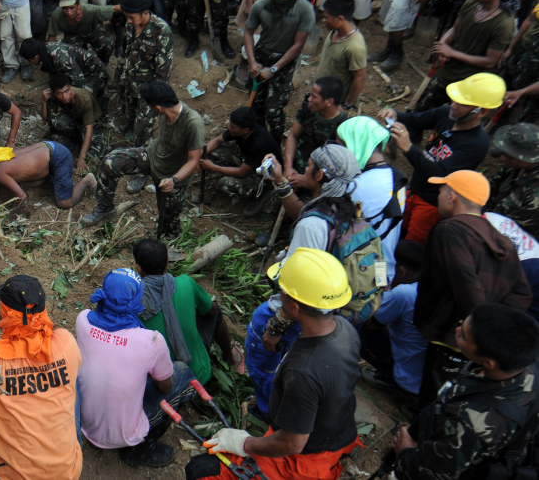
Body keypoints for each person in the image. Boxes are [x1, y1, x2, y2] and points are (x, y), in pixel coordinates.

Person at [187, 248, 361, 480]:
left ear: (296, 306)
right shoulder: (344, 329)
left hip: (304, 460)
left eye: (283, 292)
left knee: (201, 471)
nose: (279, 295)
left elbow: (292, 443)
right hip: (339, 433)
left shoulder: (303, 371)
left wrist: (245, 443)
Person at [243, 144, 374, 415]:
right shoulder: (347, 210)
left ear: (320, 175)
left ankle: (270, 408)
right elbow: (304, 212)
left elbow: (296, 286)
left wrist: (275, 326)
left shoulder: (312, 227)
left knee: (260, 344)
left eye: (309, 165)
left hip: (303, 311)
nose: (304, 168)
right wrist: (280, 181)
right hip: (333, 309)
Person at [414, 170, 533, 403]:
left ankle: (419, 432)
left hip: (453, 334)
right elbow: (522, 294)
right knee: (456, 391)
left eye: (441, 191)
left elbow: (468, 288)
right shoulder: (501, 239)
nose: (438, 196)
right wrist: (495, 331)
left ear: (452, 196)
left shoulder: (449, 230)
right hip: (472, 341)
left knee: (435, 395)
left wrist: (480, 331)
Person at [0, 275, 82, 479]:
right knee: (74, 381)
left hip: (11, 475)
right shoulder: (66, 342)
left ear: (5, 311)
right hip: (67, 472)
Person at [393, 304, 539, 480]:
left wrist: (405, 452)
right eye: (463, 322)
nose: (457, 328)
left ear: (488, 362)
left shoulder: (472, 419)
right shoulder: (526, 365)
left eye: (463, 335)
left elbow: (431, 474)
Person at [76, 267, 195, 467]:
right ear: (136, 299)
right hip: (120, 434)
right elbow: (165, 386)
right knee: (181, 372)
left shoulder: (83, 320)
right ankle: (139, 449)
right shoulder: (151, 340)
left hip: (85, 422)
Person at [379, 73, 502, 244]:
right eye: (454, 100)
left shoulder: (476, 144)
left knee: (410, 246)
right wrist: (395, 114)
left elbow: (437, 173)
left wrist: (408, 148)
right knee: (396, 229)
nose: (454, 105)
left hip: (432, 203)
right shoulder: (446, 114)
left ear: (481, 111)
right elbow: (414, 120)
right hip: (414, 190)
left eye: (462, 103)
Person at [81, 81, 203, 240]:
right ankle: (105, 208)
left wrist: (174, 179)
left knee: (168, 231)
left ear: (158, 108)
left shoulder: (192, 123)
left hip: (172, 176)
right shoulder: (166, 111)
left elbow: (194, 161)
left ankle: (170, 240)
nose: (150, 109)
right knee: (111, 161)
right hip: (153, 155)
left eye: (150, 106)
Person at [134, 238, 244, 383]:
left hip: (162, 384)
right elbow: (211, 311)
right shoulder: (185, 282)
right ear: (167, 261)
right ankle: (231, 358)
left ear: (138, 268)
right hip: (199, 375)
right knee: (214, 310)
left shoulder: (133, 300)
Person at [416, 0, 518, 110]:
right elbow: (455, 29)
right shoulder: (471, 4)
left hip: (469, 85)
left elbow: (490, 61)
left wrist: (453, 53)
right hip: (447, 73)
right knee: (420, 111)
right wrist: (442, 45)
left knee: (453, 121)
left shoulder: (504, 24)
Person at [240, 0, 315, 139]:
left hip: (284, 61)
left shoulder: (305, 10)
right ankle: (257, 139)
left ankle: (274, 144)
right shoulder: (261, 5)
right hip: (261, 56)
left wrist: (274, 69)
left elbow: (298, 45)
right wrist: (252, 61)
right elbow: (249, 32)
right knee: (255, 106)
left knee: (274, 110)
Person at [336, 116, 407, 275]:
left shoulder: (356, 187)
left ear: (355, 145)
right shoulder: (396, 176)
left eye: (341, 146)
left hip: (361, 273)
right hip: (383, 266)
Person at [358, 240, 425, 395]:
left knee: (359, 325)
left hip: (405, 377)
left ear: (402, 270)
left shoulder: (403, 293)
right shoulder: (428, 286)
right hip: (422, 374)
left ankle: (387, 376)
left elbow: (371, 325)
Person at [112, 0, 173, 149]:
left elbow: (163, 71)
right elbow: (127, 51)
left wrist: (154, 98)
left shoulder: (161, 31)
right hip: (131, 79)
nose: (128, 21)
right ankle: (130, 125)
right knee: (130, 108)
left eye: (131, 17)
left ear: (145, 13)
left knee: (144, 125)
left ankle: (144, 151)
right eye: (126, 17)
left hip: (149, 87)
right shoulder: (131, 25)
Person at [0, 140, 97, 213]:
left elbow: (21, 196)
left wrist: (12, 214)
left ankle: (87, 180)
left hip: (59, 157)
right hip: (48, 147)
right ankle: (49, 177)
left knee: (64, 203)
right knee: (22, 184)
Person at [200, 106, 283, 215]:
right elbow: (216, 141)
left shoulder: (259, 143)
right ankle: (222, 167)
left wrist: (213, 167)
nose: (229, 128)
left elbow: (242, 173)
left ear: (245, 130)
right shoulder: (238, 130)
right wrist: (198, 157)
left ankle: (261, 192)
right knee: (213, 152)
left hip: (263, 175)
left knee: (225, 183)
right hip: (246, 160)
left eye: (232, 127)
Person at [284, 76, 348, 187]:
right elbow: (293, 135)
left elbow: (337, 167)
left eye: (314, 97)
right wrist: (288, 166)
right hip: (295, 170)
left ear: (329, 101)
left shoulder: (342, 126)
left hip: (319, 182)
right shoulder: (308, 110)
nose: (309, 99)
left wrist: (305, 180)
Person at [42, 73, 103, 173]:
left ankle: (78, 138)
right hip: (74, 118)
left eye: (67, 91)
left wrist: (81, 158)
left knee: (95, 154)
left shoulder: (84, 99)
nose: (65, 96)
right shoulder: (54, 96)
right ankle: (75, 136)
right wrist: (43, 101)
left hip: (90, 122)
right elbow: (45, 119)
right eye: (59, 93)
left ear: (70, 88)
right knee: (57, 122)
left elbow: (89, 128)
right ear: (54, 93)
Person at [316, 0, 368, 109]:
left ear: (340, 19)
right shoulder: (334, 33)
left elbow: (360, 78)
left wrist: (346, 105)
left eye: (326, 17)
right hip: (319, 95)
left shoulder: (354, 47)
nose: (323, 21)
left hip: (332, 104)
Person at [489, 123, 539, 236]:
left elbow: (514, 234)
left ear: (529, 159)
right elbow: (491, 188)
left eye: (510, 156)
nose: (502, 158)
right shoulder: (514, 167)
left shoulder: (535, 197)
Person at [19, 38, 109, 98]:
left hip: (96, 74)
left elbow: (79, 80)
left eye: (29, 60)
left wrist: (67, 98)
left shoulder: (60, 58)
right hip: (81, 71)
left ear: (36, 57)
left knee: (78, 96)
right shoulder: (45, 50)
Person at [47, 0, 115, 63]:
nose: (69, 12)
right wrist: (51, 57)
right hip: (72, 34)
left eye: (72, 8)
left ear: (79, 4)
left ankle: (101, 63)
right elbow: (52, 38)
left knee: (107, 44)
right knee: (72, 54)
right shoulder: (57, 15)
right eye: (65, 8)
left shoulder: (90, 10)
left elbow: (115, 8)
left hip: (92, 30)